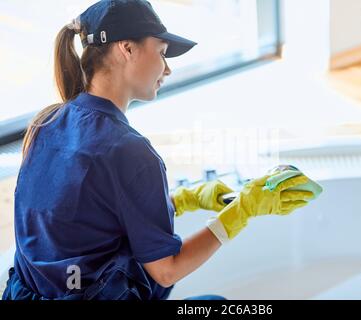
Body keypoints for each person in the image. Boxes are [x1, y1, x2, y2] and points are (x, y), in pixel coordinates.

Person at [2, 0, 315, 300]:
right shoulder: (129, 149)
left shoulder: (47, 122)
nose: (167, 69)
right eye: (163, 53)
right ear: (127, 48)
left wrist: (180, 200)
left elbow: (84, 218)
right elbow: (167, 271)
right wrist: (243, 210)